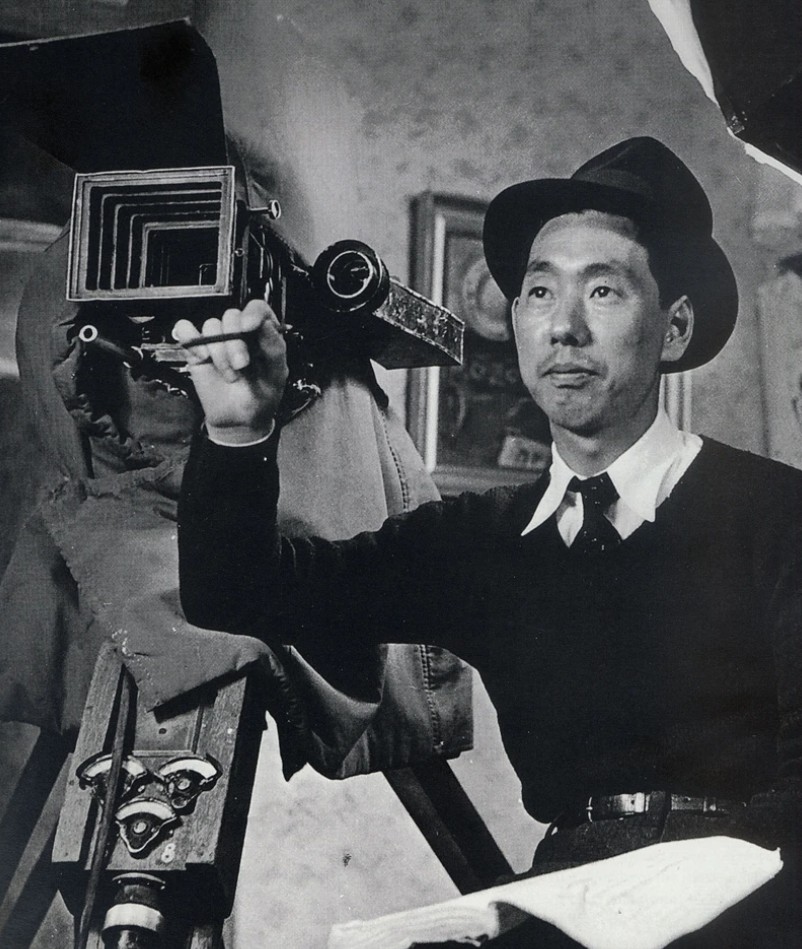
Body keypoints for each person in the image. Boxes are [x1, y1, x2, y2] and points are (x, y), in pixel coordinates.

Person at [175, 138, 802, 946]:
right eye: (539, 292)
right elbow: (239, 592)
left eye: (603, 290)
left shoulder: (780, 513)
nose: (563, 327)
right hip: (568, 896)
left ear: (674, 327)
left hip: (753, 894)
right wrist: (237, 432)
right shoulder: (481, 540)